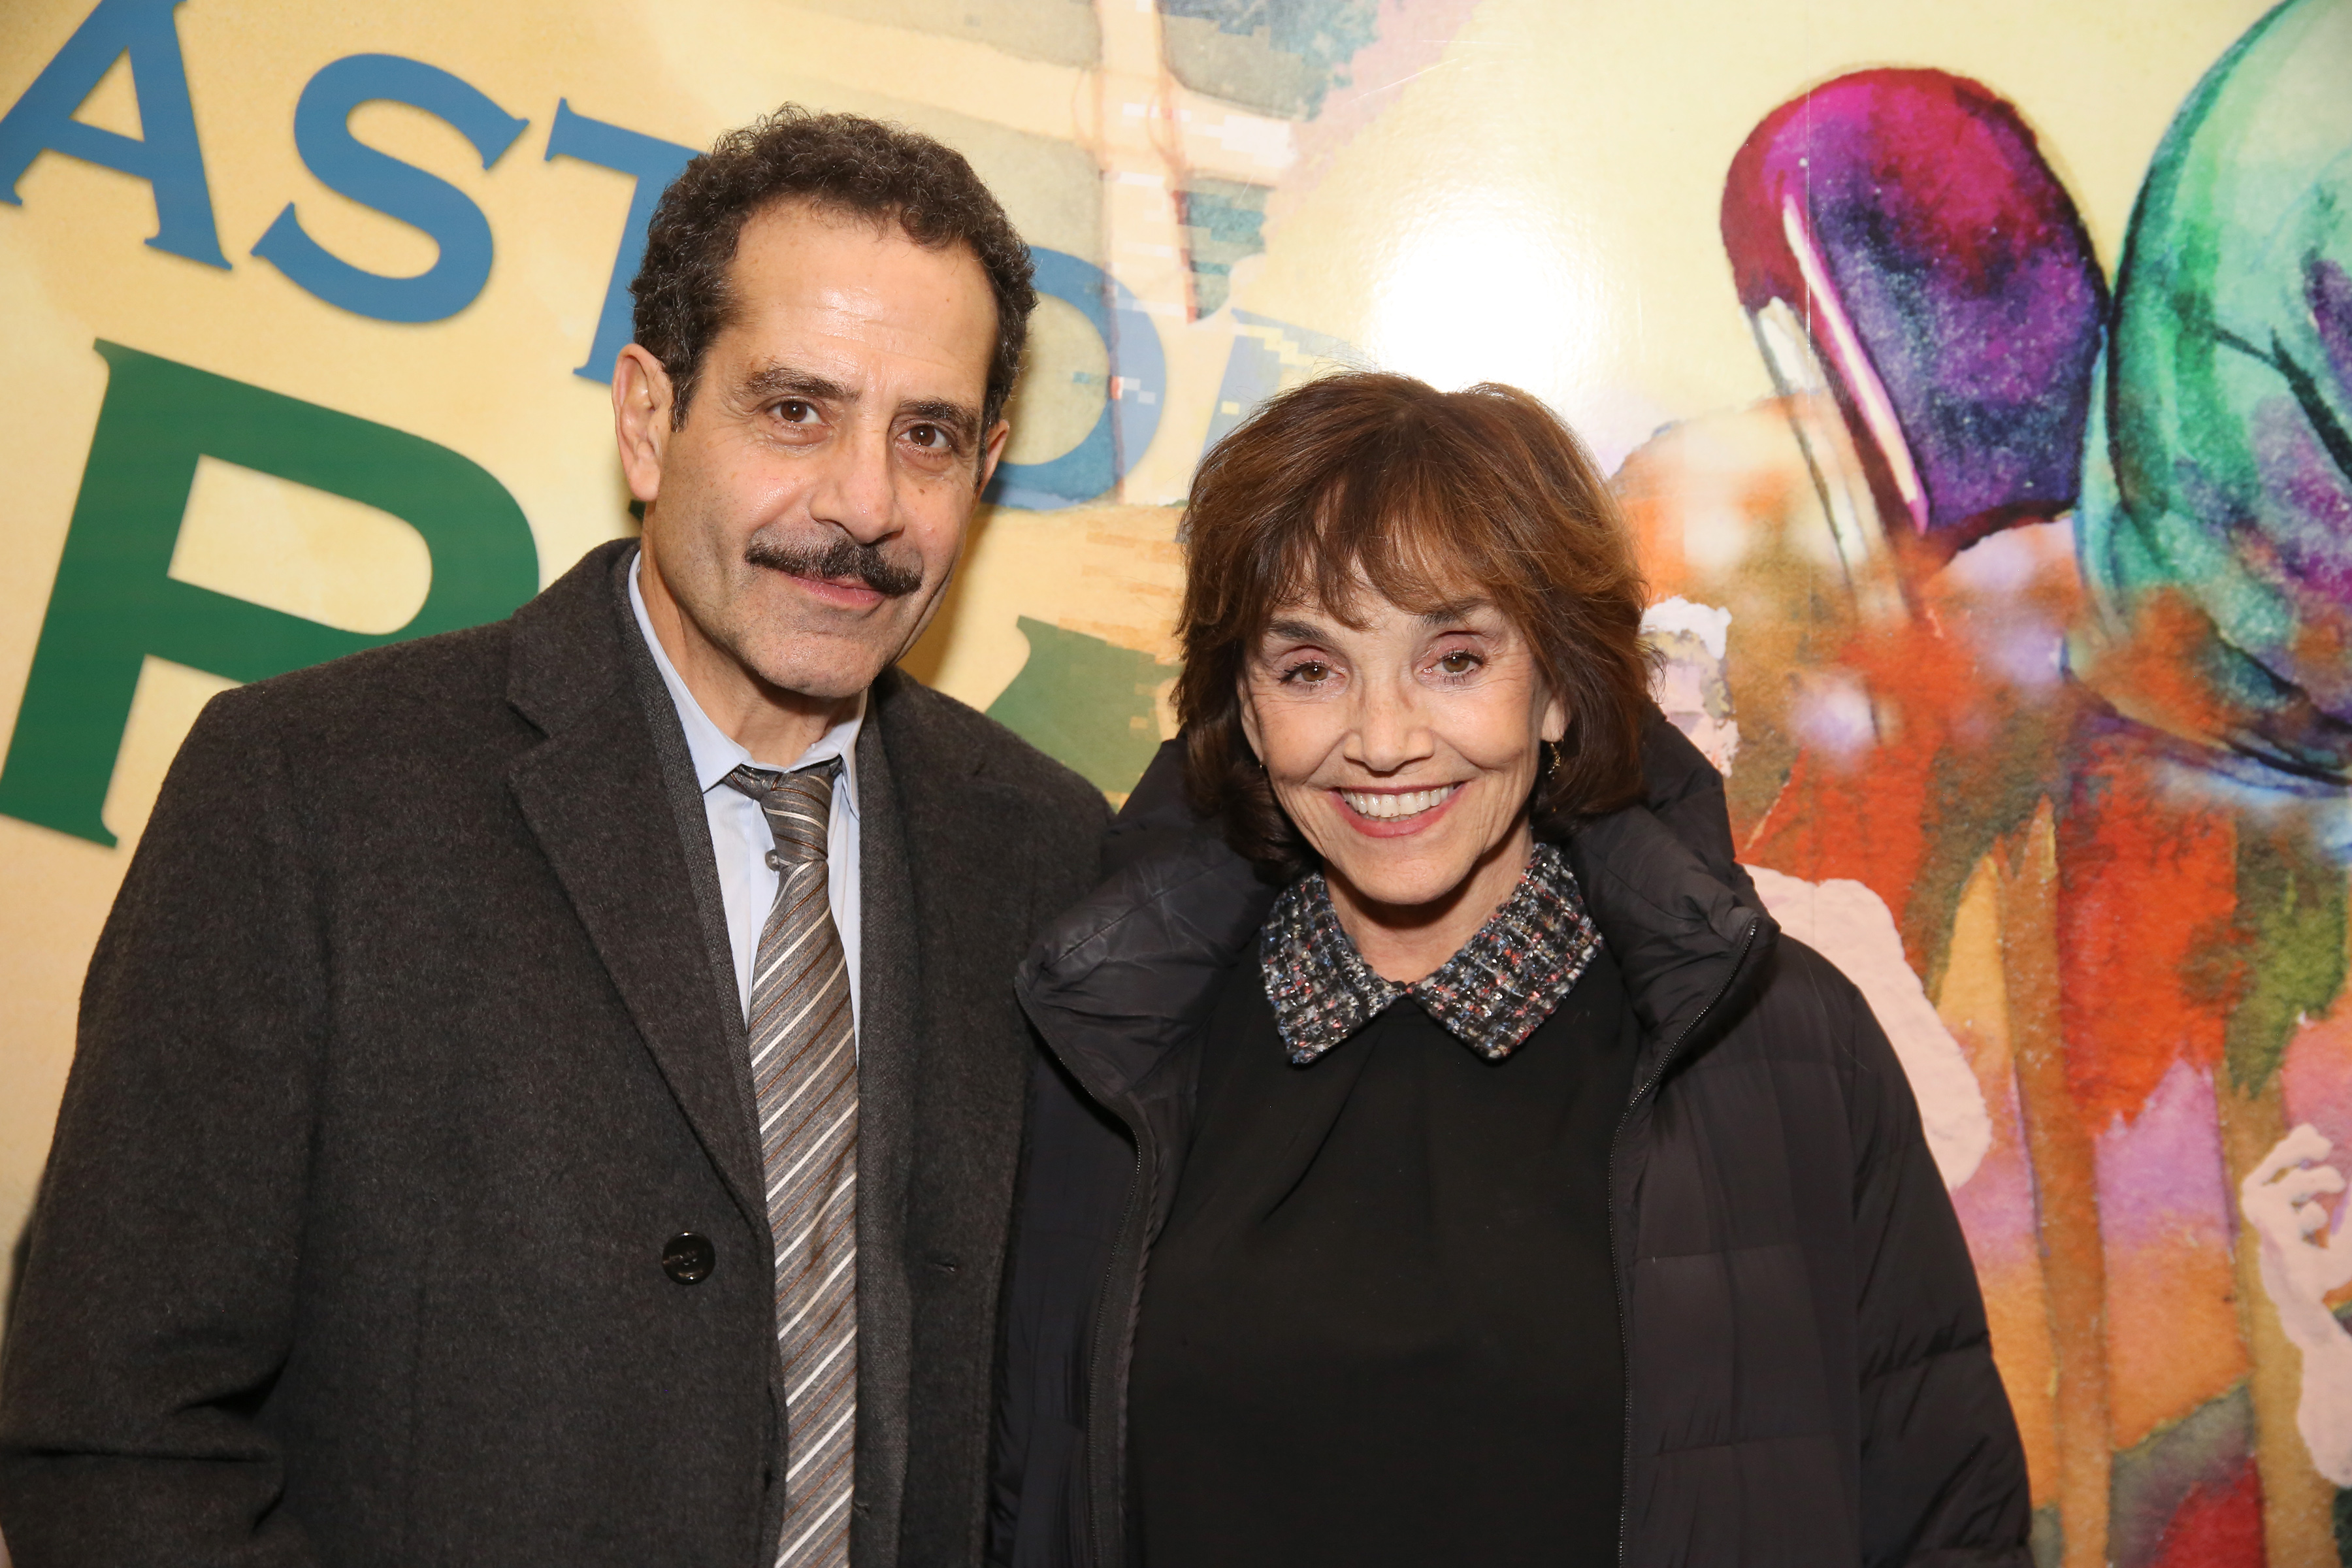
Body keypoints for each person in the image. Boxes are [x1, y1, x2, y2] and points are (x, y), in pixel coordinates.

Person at [0, 108, 1107, 1567]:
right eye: (796, 410)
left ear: (989, 466)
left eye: (928, 436)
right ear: (649, 417)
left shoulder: (1046, 853)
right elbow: (114, 1427)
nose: (864, 505)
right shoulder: (311, 792)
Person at [990, 372, 2031, 1567]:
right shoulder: (1113, 1045)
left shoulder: (1786, 1046)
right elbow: (1028, 1505)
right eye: (1313, 669)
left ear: (1556, 690)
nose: (1383, 742)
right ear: (1245, 704)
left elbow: (1945, 1523)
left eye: (1455, 659)